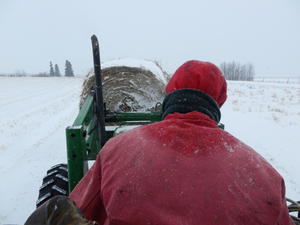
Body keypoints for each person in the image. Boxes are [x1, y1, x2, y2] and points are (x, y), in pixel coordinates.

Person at [25, 60, 294, 225]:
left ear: (168, 93)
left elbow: (79, 206)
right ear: (219, 102)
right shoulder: (264, 173)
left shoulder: (116, 150)